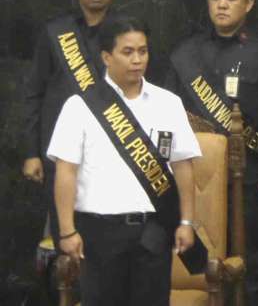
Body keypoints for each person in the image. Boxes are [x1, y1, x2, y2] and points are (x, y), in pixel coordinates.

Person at [47, 16, 200, 306]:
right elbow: (65, 172)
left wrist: (187, 221)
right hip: (100, 233)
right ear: (106, 56)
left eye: (143, 51)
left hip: (153, 231)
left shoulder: (168, 103)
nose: (137, 60)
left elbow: (182, 166)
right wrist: (66, 230)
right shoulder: (80, 106)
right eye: (127, 52)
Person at [165, 0, 258, 306]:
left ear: (249, 3)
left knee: (254, 259)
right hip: (197, 178)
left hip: (252, 176)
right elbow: (166, 115)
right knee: (200, 258)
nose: (222, 5)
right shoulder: (185, 54)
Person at [22, 0, 118, 245]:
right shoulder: (55, 32)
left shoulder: (129, 30)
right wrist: (31, 153)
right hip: (61, 155)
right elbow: (33, 93)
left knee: (110, 244)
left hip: (115, 150)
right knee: (66, 240)